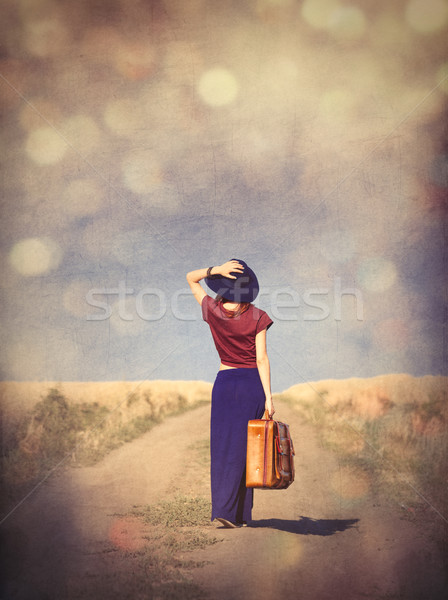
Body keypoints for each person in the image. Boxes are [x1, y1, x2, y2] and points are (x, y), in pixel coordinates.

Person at [186, 259, 274, 528]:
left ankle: (227, 510)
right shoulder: (258, 315)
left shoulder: (212, 310)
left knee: (224, 447)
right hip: (252, 385)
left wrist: (215, 270)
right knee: (247, 449)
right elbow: (261, 359)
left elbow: (190, 278)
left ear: (224, 284)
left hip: (225, 383)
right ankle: (239, 514)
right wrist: (270, 397)